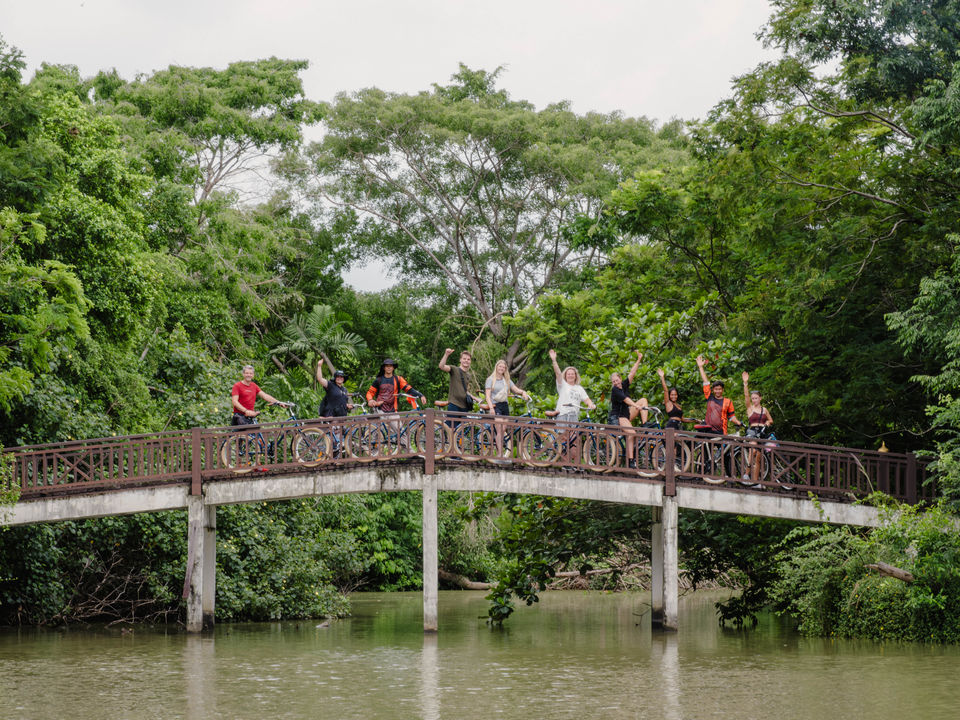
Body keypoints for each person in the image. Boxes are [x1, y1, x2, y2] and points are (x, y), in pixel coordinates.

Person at [695, 354, 743, 475]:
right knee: (706, 455)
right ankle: (701, 476)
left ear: (722, 390)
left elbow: (732, 416)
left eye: (719, 389)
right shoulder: (709, 397)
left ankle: (729, 478)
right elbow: (705, 382)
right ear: (714, 390)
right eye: (715, 389)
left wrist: (738, 422)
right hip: (708, 430)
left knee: (726, 454)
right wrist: (701, 367)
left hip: (721, 432)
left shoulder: (728, 401)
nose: (717, 391)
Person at [549, 349, 596, 465]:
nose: (570, 375)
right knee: (564, 439)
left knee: (575, 440)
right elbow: (558, 373)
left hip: (574, 416)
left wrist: (591, 404)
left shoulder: (579, 388)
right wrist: (554, 360)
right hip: (563, 414)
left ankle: (575, 465)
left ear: (575, 376)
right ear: (566, 375)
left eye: (572, 374)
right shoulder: (562, 385)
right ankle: (565, 464)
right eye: (568, 374)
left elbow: (586, 399)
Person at [365, 358, 423, 448]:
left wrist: (420, 395)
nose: (389, 368)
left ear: (393, 368)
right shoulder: (378, 380)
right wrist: (370, 400)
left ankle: (410, 454)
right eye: (387, 366)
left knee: (401, 432)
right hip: (380, 410)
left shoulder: (398, 379)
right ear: (384, 368)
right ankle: (373, 454)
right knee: (375, 434)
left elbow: (409, 389)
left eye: (390, 366)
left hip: (393, 411)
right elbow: (370, 393)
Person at [484, 358, 531, 456]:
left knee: (502, 430)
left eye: (503, 367)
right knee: (500, 429)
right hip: (495, 406)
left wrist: (523, 392)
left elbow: (516, 390)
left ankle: (499, 452)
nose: (501, 368)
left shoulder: (507, 380)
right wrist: (491, 408)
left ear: (505, 369)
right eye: (500, 366)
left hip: (505, 406)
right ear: (496, 367)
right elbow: (487, 396)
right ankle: (500, 454)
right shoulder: (490, 379)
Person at [609, 350, 646, 468]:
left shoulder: (624, 385)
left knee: (644, 400)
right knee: (632, 434)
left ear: (620, 379)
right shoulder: (615, 390)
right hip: (619, 416)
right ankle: (631, 460)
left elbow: (632, 373)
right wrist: (636, 406)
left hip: (627, 413)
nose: (616, 382)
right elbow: (626, 400)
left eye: (617, 380)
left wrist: (639, 359)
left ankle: (645, 425)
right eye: (613, 381)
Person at [741, 371, 774, 480]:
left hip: (762, 432)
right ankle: (746, 472)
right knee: (753, 449)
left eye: (756, 398)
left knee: (759, 458)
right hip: (753, 431)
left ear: (760, 398)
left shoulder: (764, 409)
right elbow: (746, 397)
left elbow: (771, 420)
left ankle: (755, 481)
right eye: (753, 398)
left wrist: (768, 423)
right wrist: (745, 383)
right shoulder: (750, 409)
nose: (754, 400)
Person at [317, 360, 354, 455]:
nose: (339, 378)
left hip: (342, 417)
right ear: (335, 378)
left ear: (343, 379)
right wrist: (319, 366)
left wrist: (348, 406)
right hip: (332, 417)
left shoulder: (344, 390)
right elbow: (320, 379)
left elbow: (341, 402)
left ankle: (338, 460)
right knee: (333, 440)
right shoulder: (331, 385)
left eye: (341, 377)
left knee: (341, 440)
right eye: (338, 377)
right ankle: (329, 458)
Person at [439, 348, 474, 413]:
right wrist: (446, 355)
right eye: (464, 359)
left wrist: (475, 398)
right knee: (451, 423)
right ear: (460, 360)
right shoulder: (454, 370)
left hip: (464, 406)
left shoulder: (468, 375)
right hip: (454, 405)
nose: (466, 361)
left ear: (470, 361)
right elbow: (441, 366)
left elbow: (465, 391)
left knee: (464, 423)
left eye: (468, 359)